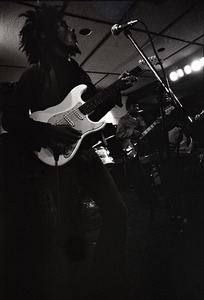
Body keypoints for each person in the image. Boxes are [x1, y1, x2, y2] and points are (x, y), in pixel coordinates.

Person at [1, 4, 136, 300]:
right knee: (70, 230)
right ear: (48, 35)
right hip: (58, 159)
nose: (72, 30)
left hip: (85, 154)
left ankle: (106, 275)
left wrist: (117, 89)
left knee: (117, 212)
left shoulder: (78, 73)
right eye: (64, 26)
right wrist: (48, 131)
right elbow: (9, 119)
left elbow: (90, 113)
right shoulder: (35, 74)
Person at [116, 98, 149, 194]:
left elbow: (145, 133)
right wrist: (132, 132)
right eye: (134, 106)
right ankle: (140, 194)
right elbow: (118, 135)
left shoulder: (141, 118)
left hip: (142, 147)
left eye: (137, 106)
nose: (137, 108)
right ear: (128, 108)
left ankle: (148, 191)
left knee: (146, 170)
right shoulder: (123, 120)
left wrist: (144, 127)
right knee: (136, 172)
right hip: (131, 148)